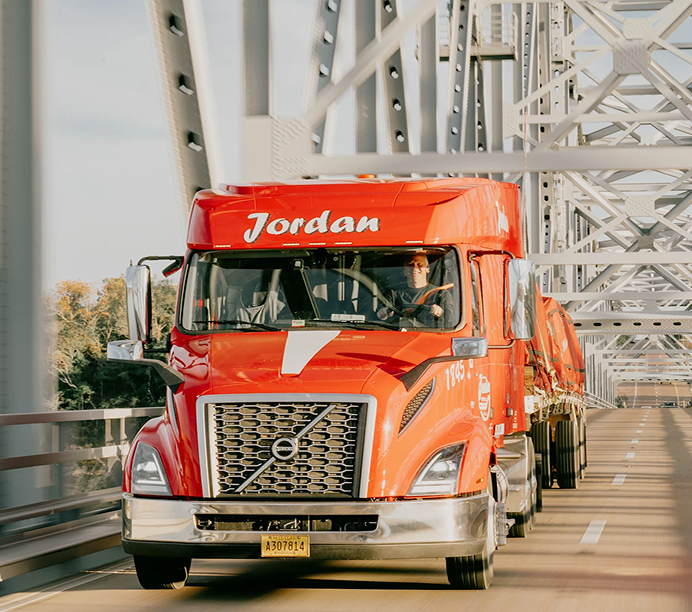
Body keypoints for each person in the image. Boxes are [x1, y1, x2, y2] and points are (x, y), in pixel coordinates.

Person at [378, 252, 454, 326]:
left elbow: (450, 317)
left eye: (420, 265)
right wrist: (384, 313)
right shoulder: (393, 294)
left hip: (429, 336)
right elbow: (380, 315)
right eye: (410, 265)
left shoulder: (440, 293)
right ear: (404, 270)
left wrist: (439, 311)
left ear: (427, 268)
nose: (414, 268)